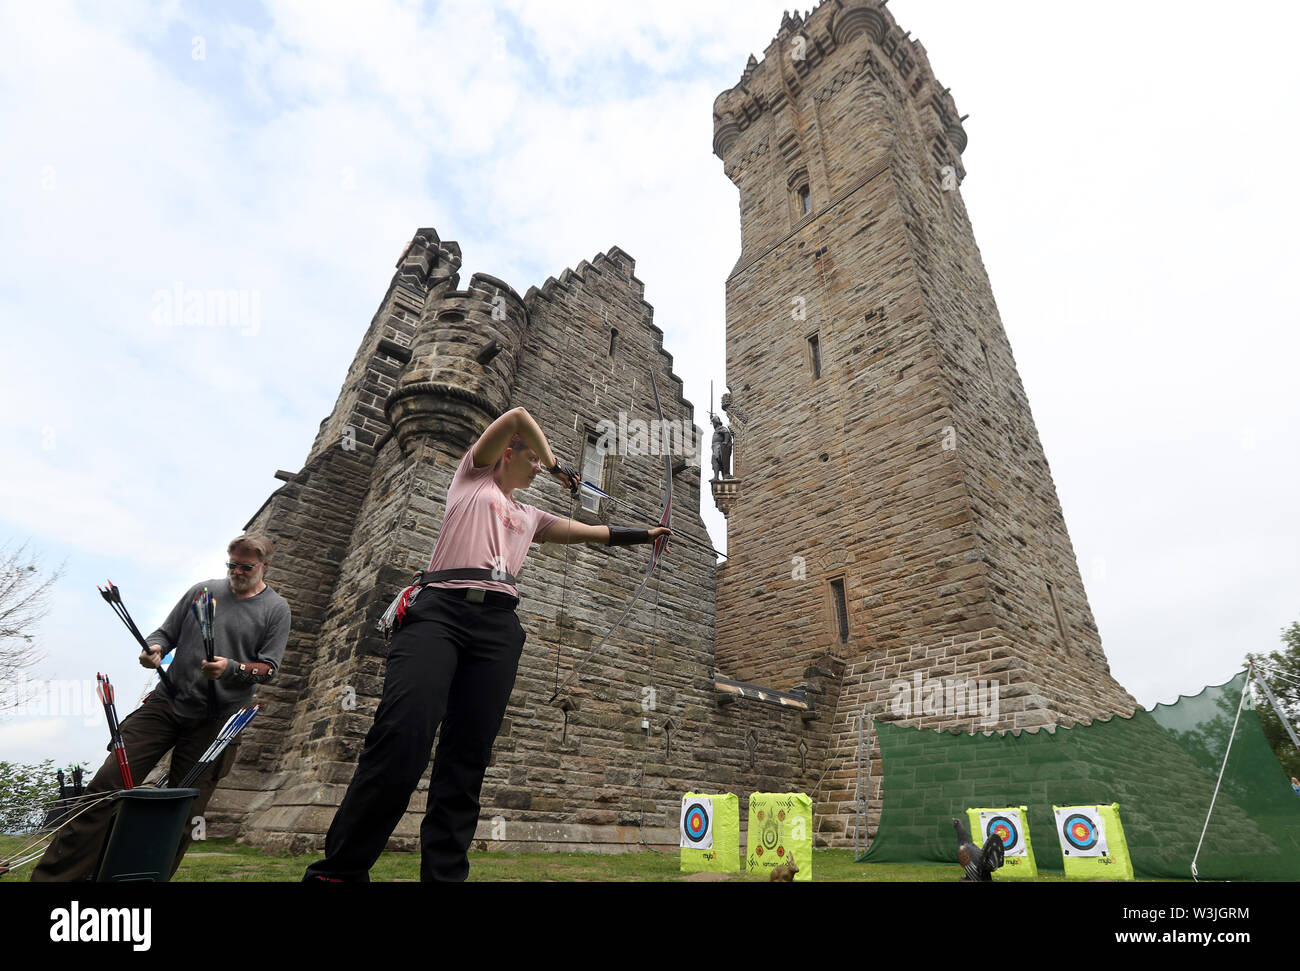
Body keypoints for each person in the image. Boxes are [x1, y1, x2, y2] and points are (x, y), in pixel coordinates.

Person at [304, 406, 671, 882]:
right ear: (508, 454)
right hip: (438, 611)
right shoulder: (472, 479)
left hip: (497, 627)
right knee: (403, 735)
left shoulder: (531, 515)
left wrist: (646, 534)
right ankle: (341, 872)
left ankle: (444, 877)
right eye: (532, 459)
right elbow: (517, 416)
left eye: (541, 462)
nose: (537, 466)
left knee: (467, 756)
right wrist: (558, 466)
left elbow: (591, 533)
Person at [31, 533, 290, 881]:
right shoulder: (203, 591)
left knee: (183, 812)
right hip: (167, 703)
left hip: (217, 720)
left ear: (264, 566)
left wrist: (231, 668)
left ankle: (141, 878)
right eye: (232, 564)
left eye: (246, 566)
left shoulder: (276, 609)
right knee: (103, 790)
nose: (237, 571)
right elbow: (164, 633)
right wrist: (152, 649)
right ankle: (55, 879)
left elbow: (269, 668)